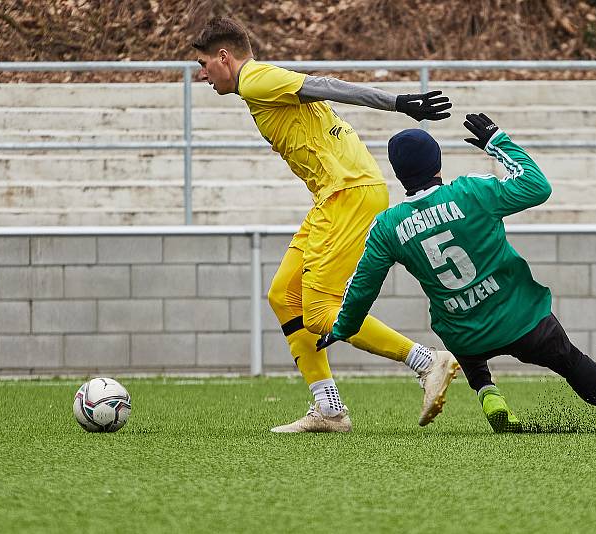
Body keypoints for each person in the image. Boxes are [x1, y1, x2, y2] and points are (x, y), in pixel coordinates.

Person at [192, 16, 460, 433]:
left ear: (224, 57)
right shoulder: (259, 83)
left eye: (204, 63)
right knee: (284, 295)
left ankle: (427, 362)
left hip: (348, 193)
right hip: (333, 196)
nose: (202, 74)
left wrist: (398, 103)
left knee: (319, 312)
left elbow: (329, 86)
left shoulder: (256, 79)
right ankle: (329, 410)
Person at [317, 113, 596, 433]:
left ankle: (488, 393)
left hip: (465, 333)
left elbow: (363, 285)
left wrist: (343, 327)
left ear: (399, 174)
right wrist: (496, 141)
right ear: (437, 162)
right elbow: (537, 187)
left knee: (465, 345)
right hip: (521, 318)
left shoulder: (387, 226)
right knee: (571, 362)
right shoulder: (472, 192)